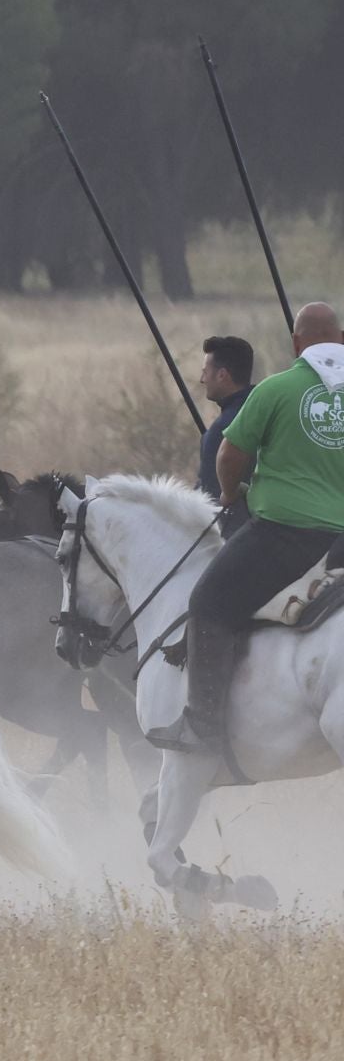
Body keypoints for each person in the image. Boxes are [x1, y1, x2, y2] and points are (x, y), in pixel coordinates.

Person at [148, 303, 344, 756]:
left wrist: (230, 493)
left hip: (289, 538)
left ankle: (202, 726)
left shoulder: (277, 388)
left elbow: (229, 455)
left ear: (297, 345)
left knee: (208, 600)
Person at [198, 335, 256, 519]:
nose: (202, 379)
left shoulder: (222, 430)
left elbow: (210, 498)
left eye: (205, 372)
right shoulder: (266, 409)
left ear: (222, 375)